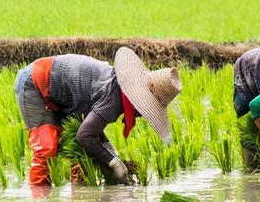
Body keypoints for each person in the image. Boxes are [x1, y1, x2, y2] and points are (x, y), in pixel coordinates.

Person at [14, 47, 181, 186]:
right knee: (46, 148)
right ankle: (38, 199)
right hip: (35, 83)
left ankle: (79, 200)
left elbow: (92, 130)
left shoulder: (118, 90)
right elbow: (85, 135)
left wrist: (110, 153)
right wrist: (113, 162)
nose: (144, 113)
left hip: (65, 96)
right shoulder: (114, 98)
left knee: (82, 160)